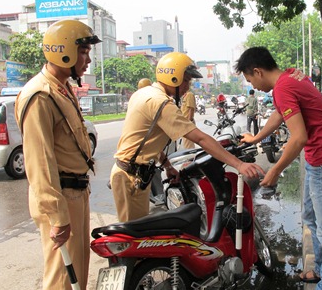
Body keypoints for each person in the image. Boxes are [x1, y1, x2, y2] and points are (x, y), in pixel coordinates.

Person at [235, 47, 322, 290]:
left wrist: (274, 171)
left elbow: (299, 137)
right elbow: (280, 113)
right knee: (311, 219)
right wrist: (257, 137)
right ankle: (320, 270)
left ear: (257, 71)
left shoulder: (283, 87)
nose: (253, 85)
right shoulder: (291, 78)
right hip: (316, 159)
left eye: (251, 81)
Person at [110, 52, 265, 222]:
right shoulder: (160, 102)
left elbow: (148, 141)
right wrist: (239, 164)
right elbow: (201, 139)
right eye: (187, 80)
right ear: (173, 77)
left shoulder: (145, 92)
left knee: (137, 233)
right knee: (133, 239)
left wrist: (168, 166)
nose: (188, 86)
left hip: (134, 175)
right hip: (130, 177)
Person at [15, 19, 100, 290]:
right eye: (84, 52)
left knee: (77, 275)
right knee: (63, 278)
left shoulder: (60, 88)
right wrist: (57, 213)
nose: (88, 59)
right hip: (61, 195)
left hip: (75, 191)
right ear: (64, 51)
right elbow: (39, 162)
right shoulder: (40, 95)